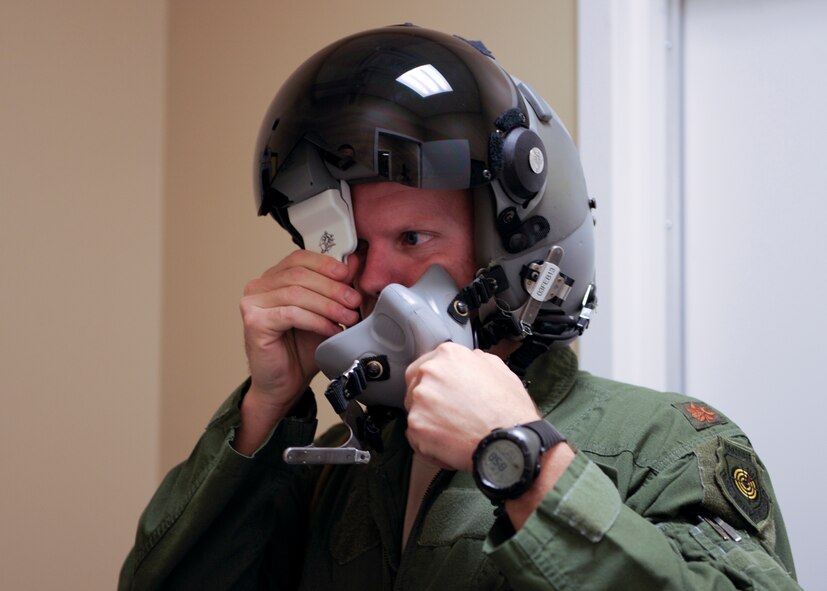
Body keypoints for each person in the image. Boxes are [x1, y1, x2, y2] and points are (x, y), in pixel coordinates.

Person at [120, 25, 801, 590]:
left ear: (512, 256)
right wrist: (266, 408)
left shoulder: (668, 444)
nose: (369, 276)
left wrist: (522, 458)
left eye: (412, 238)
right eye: (350, 243)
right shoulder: (335, 471)